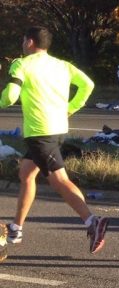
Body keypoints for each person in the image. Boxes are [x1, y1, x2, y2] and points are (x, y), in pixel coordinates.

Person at [0, 26, 108, 253]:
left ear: (29, 42)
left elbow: (10, 96)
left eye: (23, 40)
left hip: (40, 133)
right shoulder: (63, 66)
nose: (22, 44)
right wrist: (71, 107)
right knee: (26, 173)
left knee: (59, 180)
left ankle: (92, 221)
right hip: (58, 128)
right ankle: (16, 228)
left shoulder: (22, 64)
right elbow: (88, 85)